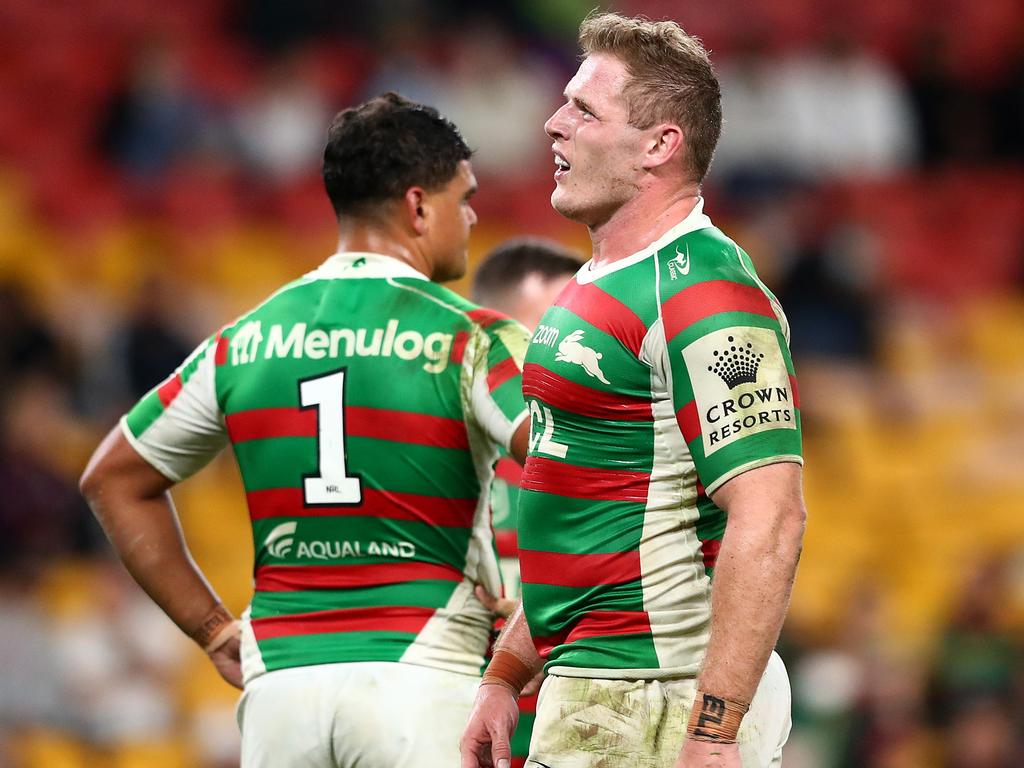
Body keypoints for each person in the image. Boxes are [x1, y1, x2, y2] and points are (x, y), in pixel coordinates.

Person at [80, 92, 532, 768]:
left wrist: (210, 630)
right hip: (423, 677)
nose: (471, 218)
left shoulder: (243, 339)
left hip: (280, 692)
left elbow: (112, 478)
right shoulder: (472, 339)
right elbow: (588, 468)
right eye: (463, 197)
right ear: (417, 206)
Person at [460, 12, 806, 768]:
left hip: (658, 697)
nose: (553, 124)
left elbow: (771, 515)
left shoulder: (705, 295)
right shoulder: (593, 286)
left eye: (585, 110)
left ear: (660, 145)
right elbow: (582, 517)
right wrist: (508, 671)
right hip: (597, 688)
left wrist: (712, 731)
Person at [471, 238, 583, 768]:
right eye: (551, 331)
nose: (572, 350)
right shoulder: (437, 459)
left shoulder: (617, 455)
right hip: (461, 736)